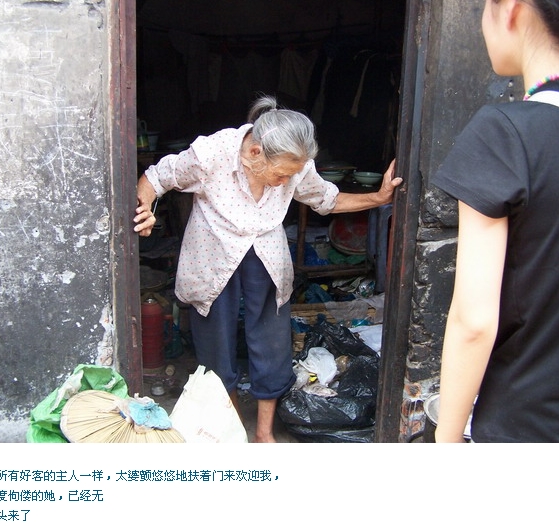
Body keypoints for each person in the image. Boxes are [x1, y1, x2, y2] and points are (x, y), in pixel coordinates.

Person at [134, 94, 401, 442]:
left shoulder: (296, 164)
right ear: (255, 152)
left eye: (292, 174)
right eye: (281, 174)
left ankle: (263, 434)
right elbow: (155, 178)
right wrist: (146, 209)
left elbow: (326, 199)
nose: (286, 180)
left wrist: (378, 197)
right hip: (212, 252)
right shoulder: (211, 154)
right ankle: (233, 433)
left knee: (272, 341)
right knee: (216, 344)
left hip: (267, 251)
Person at [431, 0, 559, 442]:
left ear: (511, 10)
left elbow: (474, 321)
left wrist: (446, 440)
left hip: (528, 424)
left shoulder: (506, 133)